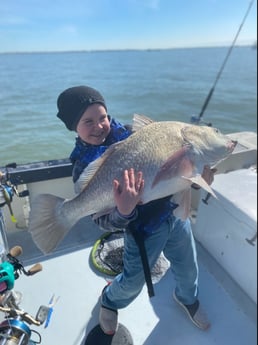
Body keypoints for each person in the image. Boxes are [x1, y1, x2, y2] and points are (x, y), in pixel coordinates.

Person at [56, 85, 215, 335]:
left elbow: (174, 173)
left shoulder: (133, 135)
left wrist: (198, 174)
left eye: (103, 117)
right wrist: (124, 210)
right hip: (142, 232)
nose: (99, 126)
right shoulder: (82, 166)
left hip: (174, 215)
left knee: (188, 264)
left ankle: (187, 297)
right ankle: (110, 300)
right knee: (132, 281)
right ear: (73, 127)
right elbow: (103, 222)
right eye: (88, 121)